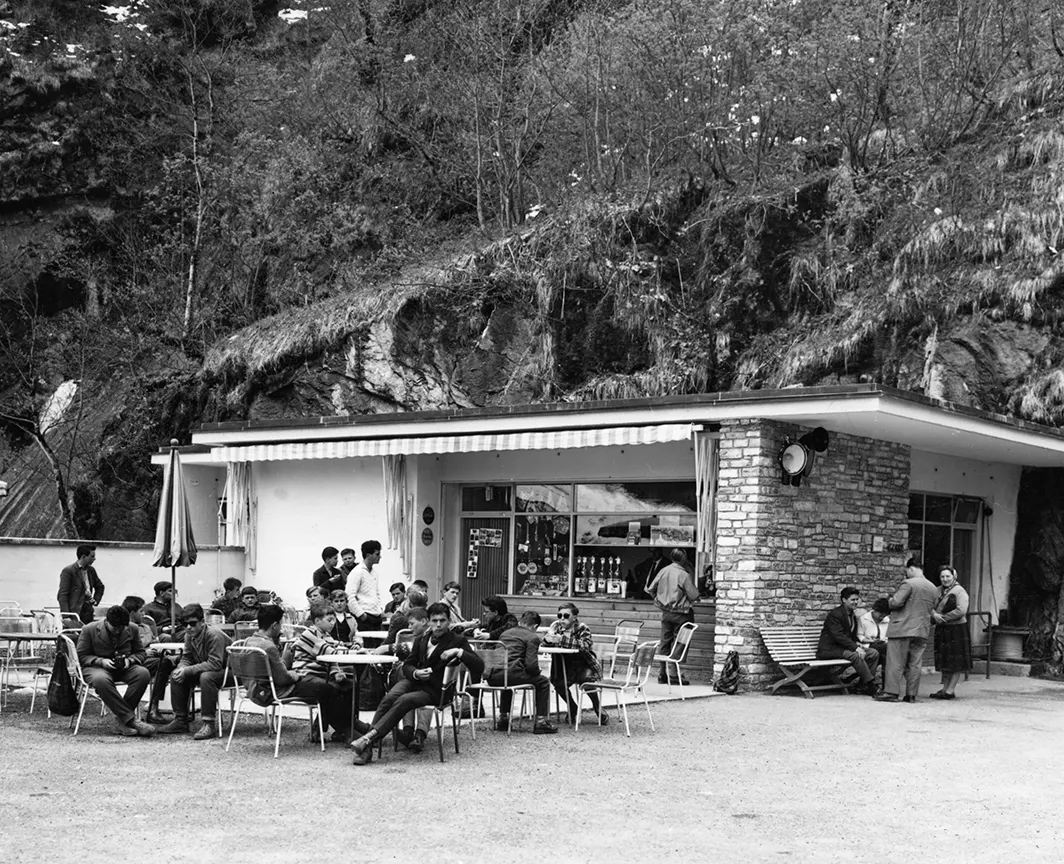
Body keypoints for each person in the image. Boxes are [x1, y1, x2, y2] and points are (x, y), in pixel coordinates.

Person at [350, 603, 485, 765]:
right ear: (428, 621)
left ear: (449, 621)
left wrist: (459, 652)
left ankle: (367, 739)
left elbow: (479, 666)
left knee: (404, 700)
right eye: (435, 621)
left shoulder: (457, 640)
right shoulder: (422, 639)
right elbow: (408, 664)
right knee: (389, 698)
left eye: (443, 620)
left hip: (436, 690)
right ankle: (368, 747)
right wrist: (415, 672)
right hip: (415, 681)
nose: (439, 625)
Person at [243, 605, 350, 741]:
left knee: (326, 689)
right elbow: (282, 678)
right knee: (327, 689)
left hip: (254, 688)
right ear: (275, 626)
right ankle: (348, 730)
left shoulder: (248, 641)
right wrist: (294, 674)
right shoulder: (268, 646)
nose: (282, 628)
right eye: (281, 625)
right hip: (274, 691)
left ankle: (337, 730)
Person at [76, 605, 155, 737]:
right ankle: (131, 720)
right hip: (96, 667)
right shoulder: (89, 629)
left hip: (124, 667)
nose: (118, 631)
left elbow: (141, 653)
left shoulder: (132, 628)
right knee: (101, 680)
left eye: (122, 628)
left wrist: (130, 660)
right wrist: (100, 661)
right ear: (106, 621)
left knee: (142, 674)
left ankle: (121, 720)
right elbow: (82, 656)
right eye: (115, 628)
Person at [158, 604, 233, 739]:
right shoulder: (190, 635)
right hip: (212, 669)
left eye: (192, 624)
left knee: (206, 677)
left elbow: (215, 664)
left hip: (232, 672)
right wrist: (181, 669)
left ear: (202, 622)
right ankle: (181, 720)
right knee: (177, 675)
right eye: (185, 624)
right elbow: (187, 657)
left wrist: (187, 670)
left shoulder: (213, 635)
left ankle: (209, 723)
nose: (188, 628)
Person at [288, 602, 356, 741]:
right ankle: (342, 729)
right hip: (305, 674)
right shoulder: (309, 634)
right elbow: (330, 652)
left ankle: (342, 728)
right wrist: (354, 651)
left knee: (350, 685)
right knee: (331, 689)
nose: (333, 623)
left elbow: (332, 655)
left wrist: (335, 672)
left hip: (321, 674)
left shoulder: (326, 635)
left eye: (334, 620)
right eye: (329, 620)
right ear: (317, 621)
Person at [876, 557, 938, 703]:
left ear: (911, 569)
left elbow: (896, 602)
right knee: (915, 663)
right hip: (922, 630)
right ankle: (911, 694)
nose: (906, 574)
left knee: (896, 661)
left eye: (907, 571)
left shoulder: (908, 583)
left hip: (902, 628)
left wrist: (889, 599)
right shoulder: (933, 587)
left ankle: (891, 692)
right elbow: (933, 606)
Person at [490, 611, 558, 735]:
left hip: (494, 675)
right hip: (512, 675)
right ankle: (541, 721)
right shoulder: (532, 637)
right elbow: (531, 665)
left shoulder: (505, 634)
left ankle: (503, 719)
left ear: (521, 621)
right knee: (543, 682)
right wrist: (537, 672)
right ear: (535, 626)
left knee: (507, 677)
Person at [543, 602, 608, 724]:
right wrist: (548, 637)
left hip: (582, 664)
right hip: (563, 665)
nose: (562, 619)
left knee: (587, 681)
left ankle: (597, 707)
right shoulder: (556, 627)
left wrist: (562, 639)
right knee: (558, 683)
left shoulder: (582, 628)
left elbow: (585, 645)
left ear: (574, 617)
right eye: (560, 615)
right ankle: (573, 708)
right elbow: (544, 645)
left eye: (566, 616)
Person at [647, 548, 699, 685]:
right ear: (684, 559)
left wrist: (660, 599)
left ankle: (662, 673)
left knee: (665, 641)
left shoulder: (664, 570)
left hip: (666, 613)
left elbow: (650, 588)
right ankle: (674, 675)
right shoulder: (683, 574)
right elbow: (694, 595)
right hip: (682, 613)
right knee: (680, 642)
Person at [816, 587, 880, 696]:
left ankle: (861, 685)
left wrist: (858, 643)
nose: (855, 602)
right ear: (844, 600)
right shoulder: (836, 614)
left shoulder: (851, 615)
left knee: (873, 653)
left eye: (857, 599)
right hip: (830, 650)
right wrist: (856, 647)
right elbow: (839, 636)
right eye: (852, 600)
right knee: (856, 655)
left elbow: (850, 635)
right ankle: (871, 685)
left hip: (844, 648)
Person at [930, 565, 972, 700]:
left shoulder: (960, 591)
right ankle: (944, 689)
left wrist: (942, 618)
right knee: (945, 661)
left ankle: (950, 690)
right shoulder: (937, 591)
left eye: (948, 576)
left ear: (954, 576)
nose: (945, 579)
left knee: (956, 661)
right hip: (943, 629)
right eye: (942, 576)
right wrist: (934, 615)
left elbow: (961, 610)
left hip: (956, 629)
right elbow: (929, 605)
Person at [57, 544, 105, 625]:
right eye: (92, 556)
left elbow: (100, 586)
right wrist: (66, 616)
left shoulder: (91, 570)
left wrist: (96, 600)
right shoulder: (69, 571)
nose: (95, 559)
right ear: (83, 557)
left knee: (88, 635)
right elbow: (62, 595)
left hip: (88, 612)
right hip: (74, 614)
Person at [348, 540, 384, 631]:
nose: (380, 556)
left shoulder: (374, 573)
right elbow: (349, 596)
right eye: (377, 554)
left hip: (376, 617)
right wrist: (361, 614)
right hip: (364, 617)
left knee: (377, 645)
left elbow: (377, 594)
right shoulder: (357, 572)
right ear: (368, 555)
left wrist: (380, 609)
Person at [858, 598, 891, 663]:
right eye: (880, 615)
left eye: (884, 616)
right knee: (888, 648)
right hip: (868, 645)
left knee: (885, 657)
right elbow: (859, 635)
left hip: (883, 645)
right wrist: (870, 640)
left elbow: (888, 636)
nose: (882, 618)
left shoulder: (887, 621)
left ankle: (885, 672)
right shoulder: (863, 619)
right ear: (875, 610)